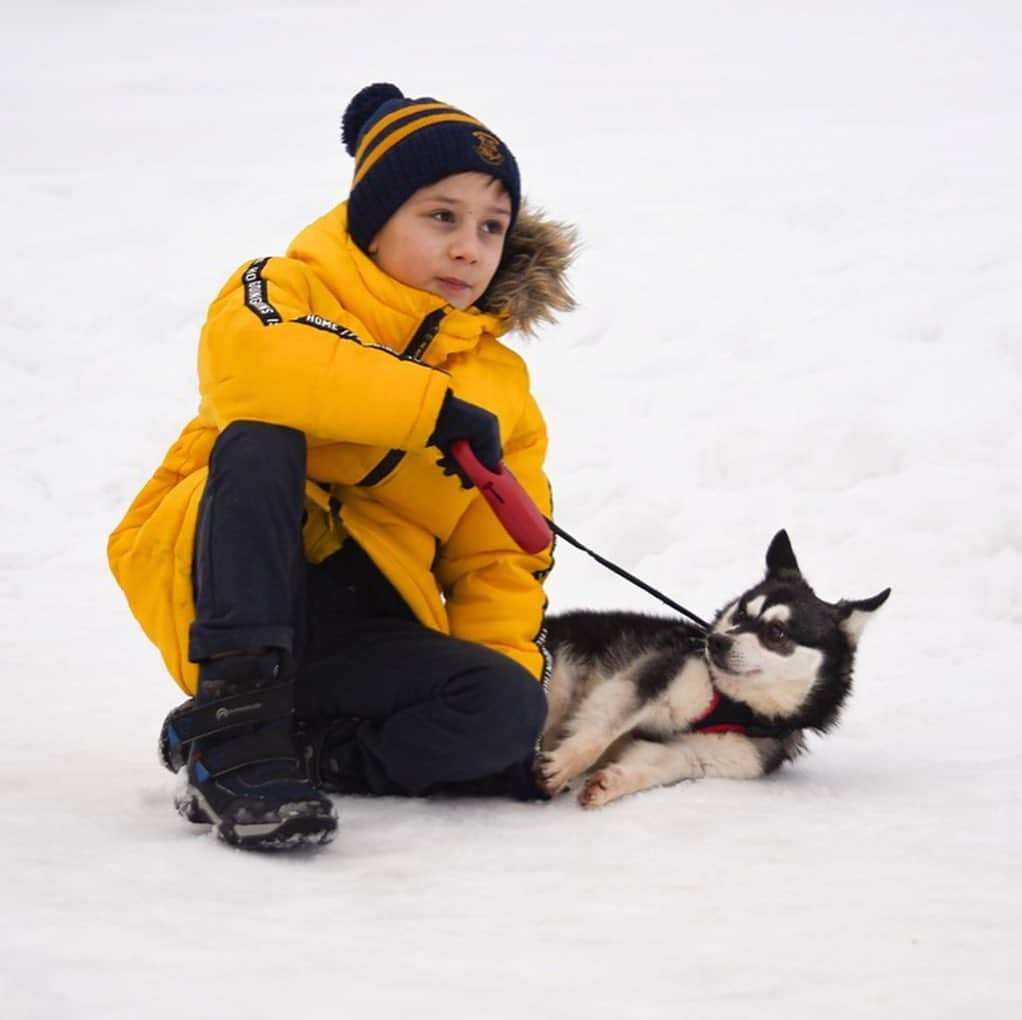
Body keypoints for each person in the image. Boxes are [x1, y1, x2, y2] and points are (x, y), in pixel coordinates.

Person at [108, 82, 576, 851]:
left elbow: (498, 560)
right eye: (441, 217)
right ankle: (234, 725)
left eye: (493, 227)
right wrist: (425, 408)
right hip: (227, 583)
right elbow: (257, 368)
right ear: (373, 218)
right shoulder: (282, 288)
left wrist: (490, 721)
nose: (470, 247)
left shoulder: (503, 390)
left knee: (506, 703)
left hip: (361, 631)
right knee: (262, 438)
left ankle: (296, 751)